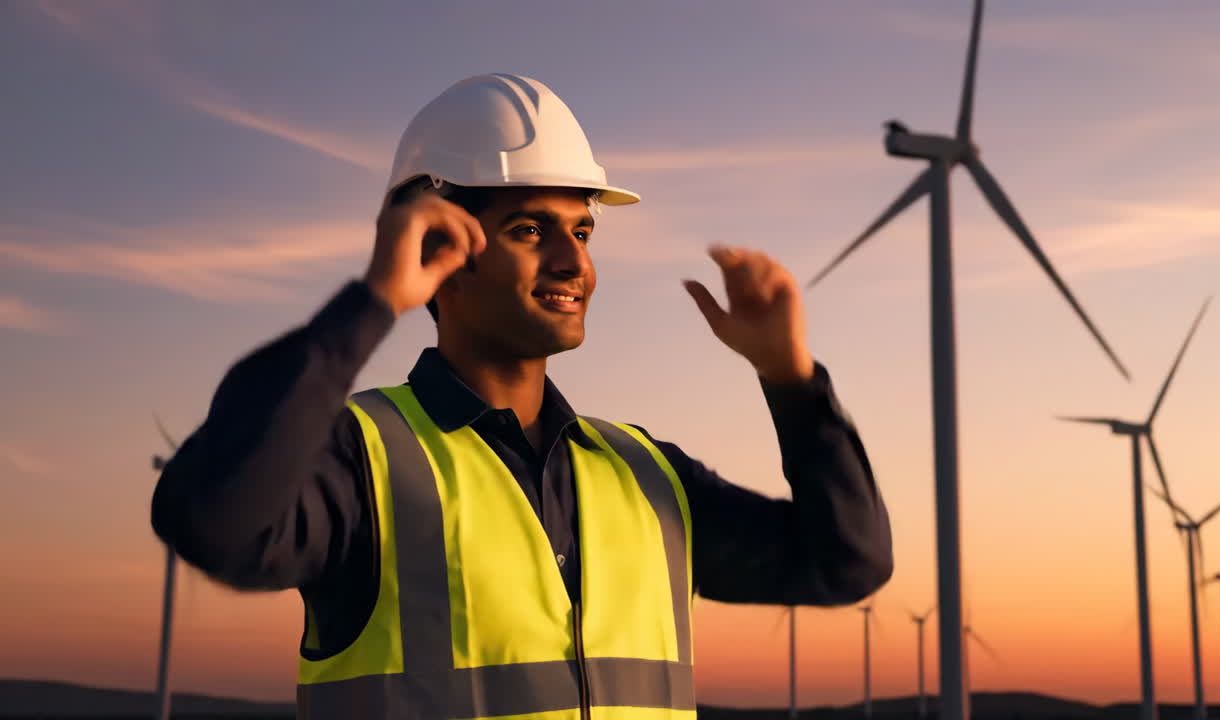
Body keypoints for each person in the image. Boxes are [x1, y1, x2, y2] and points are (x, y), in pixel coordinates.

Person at [151, 73, 892, 720]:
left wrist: (791, 382)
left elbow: (846, 562)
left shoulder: (642, 473)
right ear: (439, 244)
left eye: (583, 230)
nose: (574, 261)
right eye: (531, 229)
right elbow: (213, 517)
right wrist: (371, 301)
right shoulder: (363, 462)